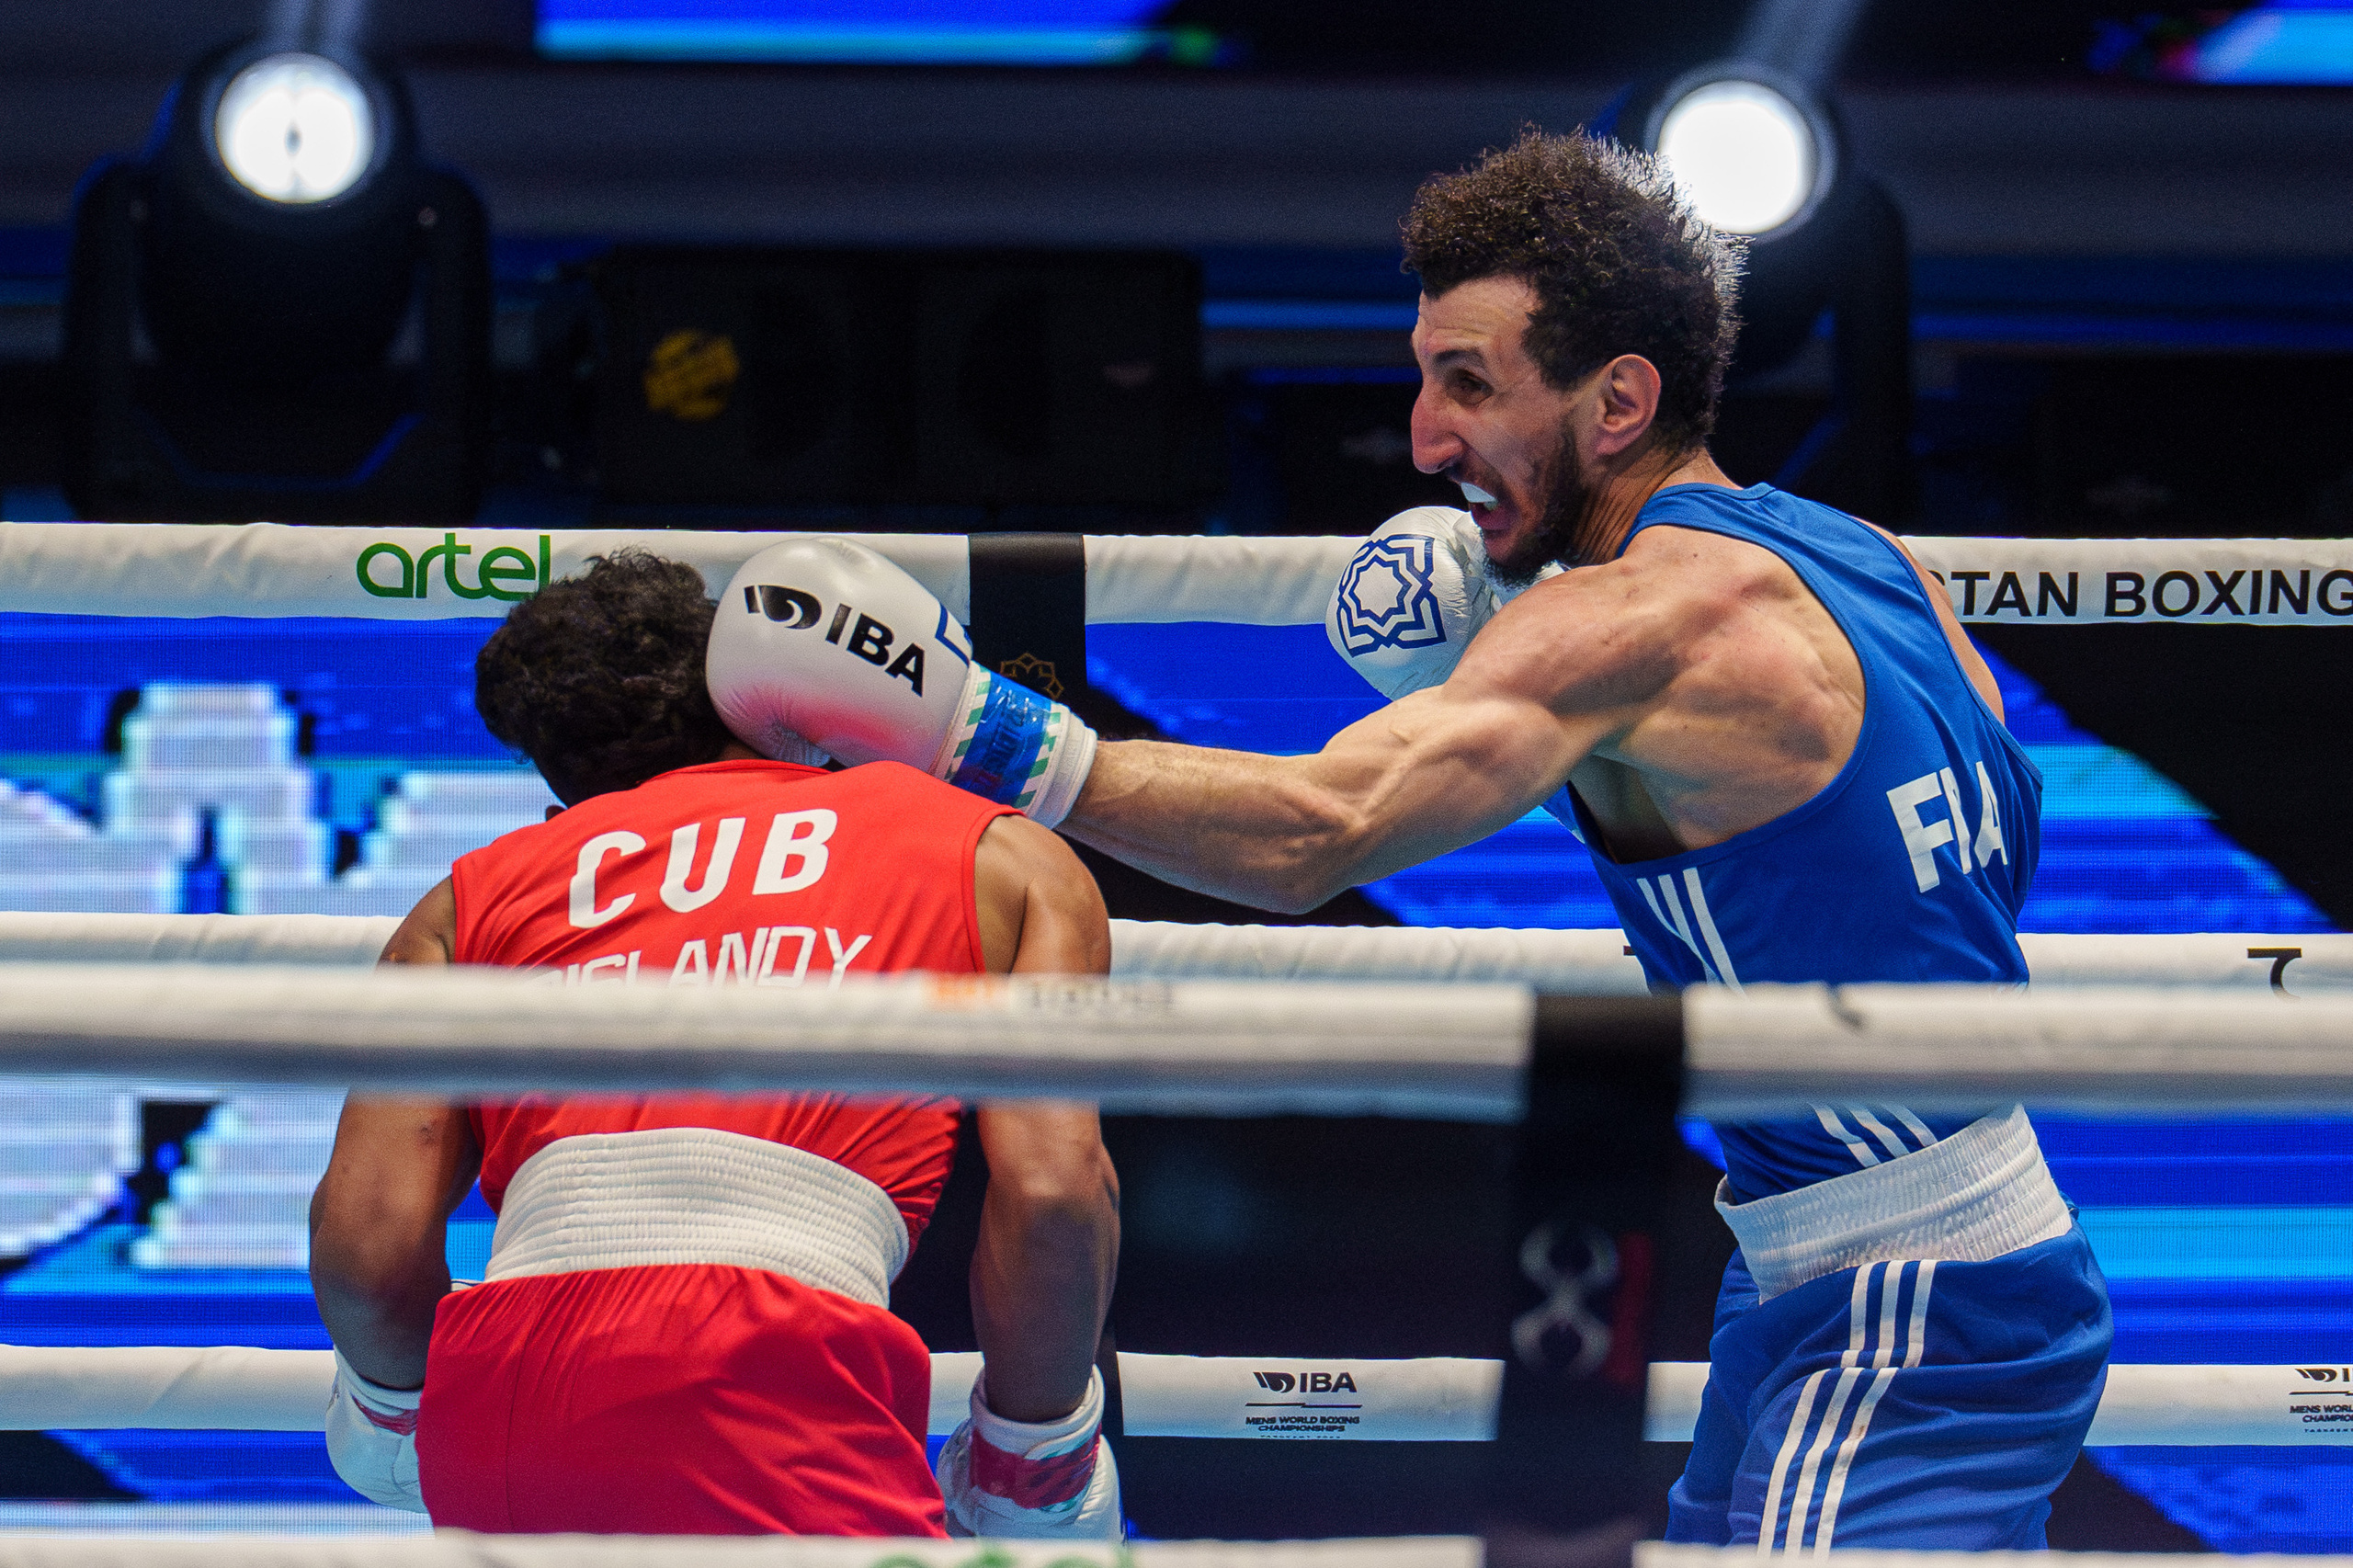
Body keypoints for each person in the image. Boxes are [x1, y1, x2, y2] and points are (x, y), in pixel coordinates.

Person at [703, 131, 2109, 1552]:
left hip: (1904, 1296)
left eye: (1472, 383)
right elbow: (1940, 853)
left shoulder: (1634, 625)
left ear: (1620, 398)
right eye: (1427, 373)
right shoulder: (1868, 555)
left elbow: (1316, 835)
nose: (1427, 438)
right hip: (1867, 1256)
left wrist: (978, 733)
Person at [308, 551, 1123, 1540]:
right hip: (778, 1374)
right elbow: (1051, 1188)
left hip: (510, 1393)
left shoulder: (474, 892)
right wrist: (1030, 1455)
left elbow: (367, 1242)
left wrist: (396, 1409)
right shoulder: (1001, 854)